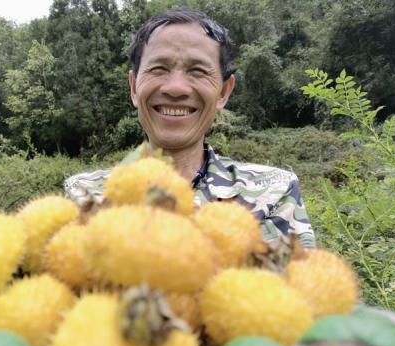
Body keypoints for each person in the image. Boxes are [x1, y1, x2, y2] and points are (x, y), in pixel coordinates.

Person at [64, 7, 316, 248]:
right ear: (133, 87)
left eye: (197, 71)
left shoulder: (275, 190)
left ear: (224, 92)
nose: (176, 88)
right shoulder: (83, 195)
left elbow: (295, 287)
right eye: (158, 68)